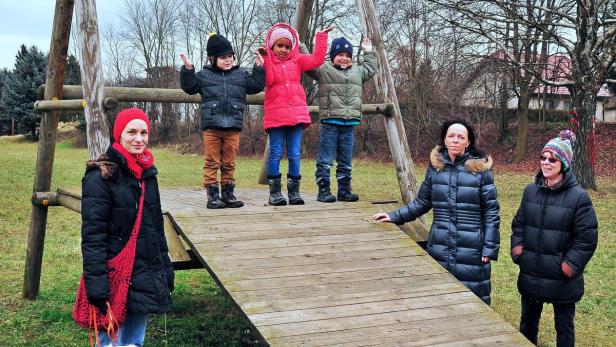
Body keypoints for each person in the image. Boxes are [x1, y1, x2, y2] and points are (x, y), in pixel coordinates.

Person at [373, 118, 500, 305]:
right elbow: (422, 202)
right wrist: (394, 216)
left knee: (473, 300)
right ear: (445, 140)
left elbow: (491, 212)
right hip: (440, 243)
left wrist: (490, 247)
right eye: (451, 136)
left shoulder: (481, 172)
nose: (455, 140)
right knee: (439, 299)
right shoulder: (436, 168)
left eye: (460, 137)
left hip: (472, 246)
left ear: (468, 142)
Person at [81, 108, 174, 347]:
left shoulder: (147, 174)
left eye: (144, 132)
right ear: (118, 135)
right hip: (113, 277)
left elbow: (155, 227)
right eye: (131, 132)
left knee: (135, 342)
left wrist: (165, 269)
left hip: (143, 274)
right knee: (110, 341)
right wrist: (97, 285)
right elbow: (93, 238)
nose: (139, 139)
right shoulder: (100, 177)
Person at [511, 130, 598, 347]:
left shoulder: (579, 197)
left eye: (552, 159)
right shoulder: (530, 191)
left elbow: (587, 238)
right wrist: (518, 249)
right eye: (543, 157)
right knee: (527, 326)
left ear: (564, 164)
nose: (546, 163)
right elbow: (519, 223)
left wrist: (568, 266)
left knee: (564, 328)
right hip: (531, 272)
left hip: (562, 279)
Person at [180, 33, 265, 209]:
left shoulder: (241, 75)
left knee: (229, 162)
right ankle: (213, 195)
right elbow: (189, 88)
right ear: (212, 58)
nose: (228, 60)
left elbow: (255, 86)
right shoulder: (204, 75)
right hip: (212, 127)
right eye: (223, 57)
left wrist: (259, 69)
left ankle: (228, 194)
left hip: (233, 127)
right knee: (212, 162)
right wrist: (188, 70)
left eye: (230, 56)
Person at [259, 23, 333, 206]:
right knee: (275, 152)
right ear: (272, 45)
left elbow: (317, 59)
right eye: (279, 45)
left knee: (294, 153)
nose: (283, 49)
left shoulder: (298, 60)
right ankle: (275, 193)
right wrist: (266, 60)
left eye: (287, 46)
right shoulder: (268, 61)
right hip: (276, 116)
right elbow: (269, 81)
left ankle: (294, 192)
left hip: (296, 115)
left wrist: (321, 38)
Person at [301, 36, 377, 202]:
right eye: (340, 54)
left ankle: (344, 190)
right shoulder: (324, 69)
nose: (344, 58)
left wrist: (368, 51)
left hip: (349, 124)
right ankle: (324, 190)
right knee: (326, 159)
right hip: (330, 122)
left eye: (347, 55)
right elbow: (308, 65)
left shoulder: (357, 71)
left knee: (345, 159)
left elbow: (371, 69)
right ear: (333, 56)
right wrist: (301, 45)